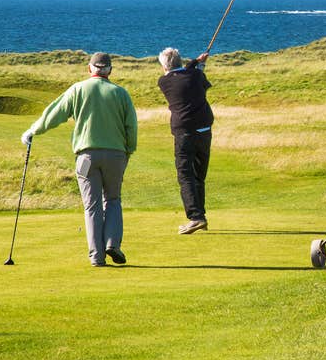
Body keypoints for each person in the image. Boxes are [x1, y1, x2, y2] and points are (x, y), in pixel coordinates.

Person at [21, 52, 138, 267]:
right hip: (115, 155)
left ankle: (97, 256)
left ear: (89, 68)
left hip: (86, 156)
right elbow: (131, 127)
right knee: (112, 200)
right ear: (110, 70)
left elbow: (53, 114)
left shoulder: (78, 89)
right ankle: (112, 243)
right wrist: (128, 151)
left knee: (91, 206)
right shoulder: (121, 93)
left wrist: (33, 131)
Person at [157, 47, 214, 235]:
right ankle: (200, 217)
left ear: (164, 66)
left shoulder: (164, 81)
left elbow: (182, 74)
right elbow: (195, 78)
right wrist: (198, 64)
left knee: (185, 175)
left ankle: (196, 217)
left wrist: (197, 63)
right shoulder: (195, 76)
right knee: (198, 175)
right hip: (204, 130)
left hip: (185, 133)